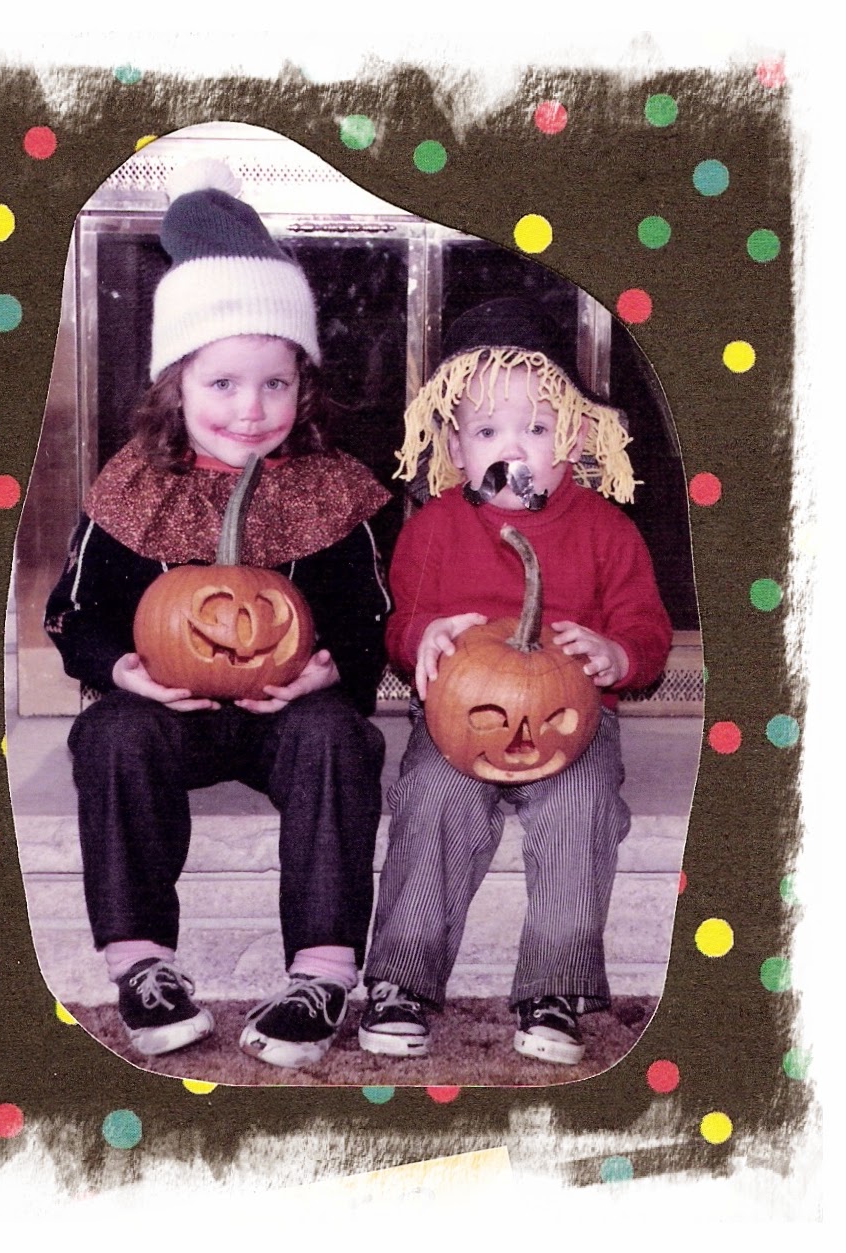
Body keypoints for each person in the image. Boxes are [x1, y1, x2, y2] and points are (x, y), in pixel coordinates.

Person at [45, 160, 391, 1070]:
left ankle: (321, 973)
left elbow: (370, 611)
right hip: (170, 712)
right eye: (224, 384)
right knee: (109, 737)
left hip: (288, 716)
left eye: (276, 384)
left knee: (340, 740)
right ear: (176, 386)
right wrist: (119, 668)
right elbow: (72, 614)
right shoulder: (135, 486)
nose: (251, 408)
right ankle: (142, 964)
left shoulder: (328, 487)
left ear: (303, 387)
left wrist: (334, 667)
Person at [357, 297, 672, 1066]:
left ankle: (555, 985)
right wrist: (421, 637)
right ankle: (401, 978)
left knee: (581, 806)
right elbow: (400, 626)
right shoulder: (432, 528)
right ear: (455, 448)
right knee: (432, 798)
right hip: (456, 720)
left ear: (574, 439)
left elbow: (648, 633)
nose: (513, 448)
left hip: (571, 721)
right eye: (488, 432)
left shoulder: (607, 530)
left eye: (535, 428)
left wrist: (617, 654)